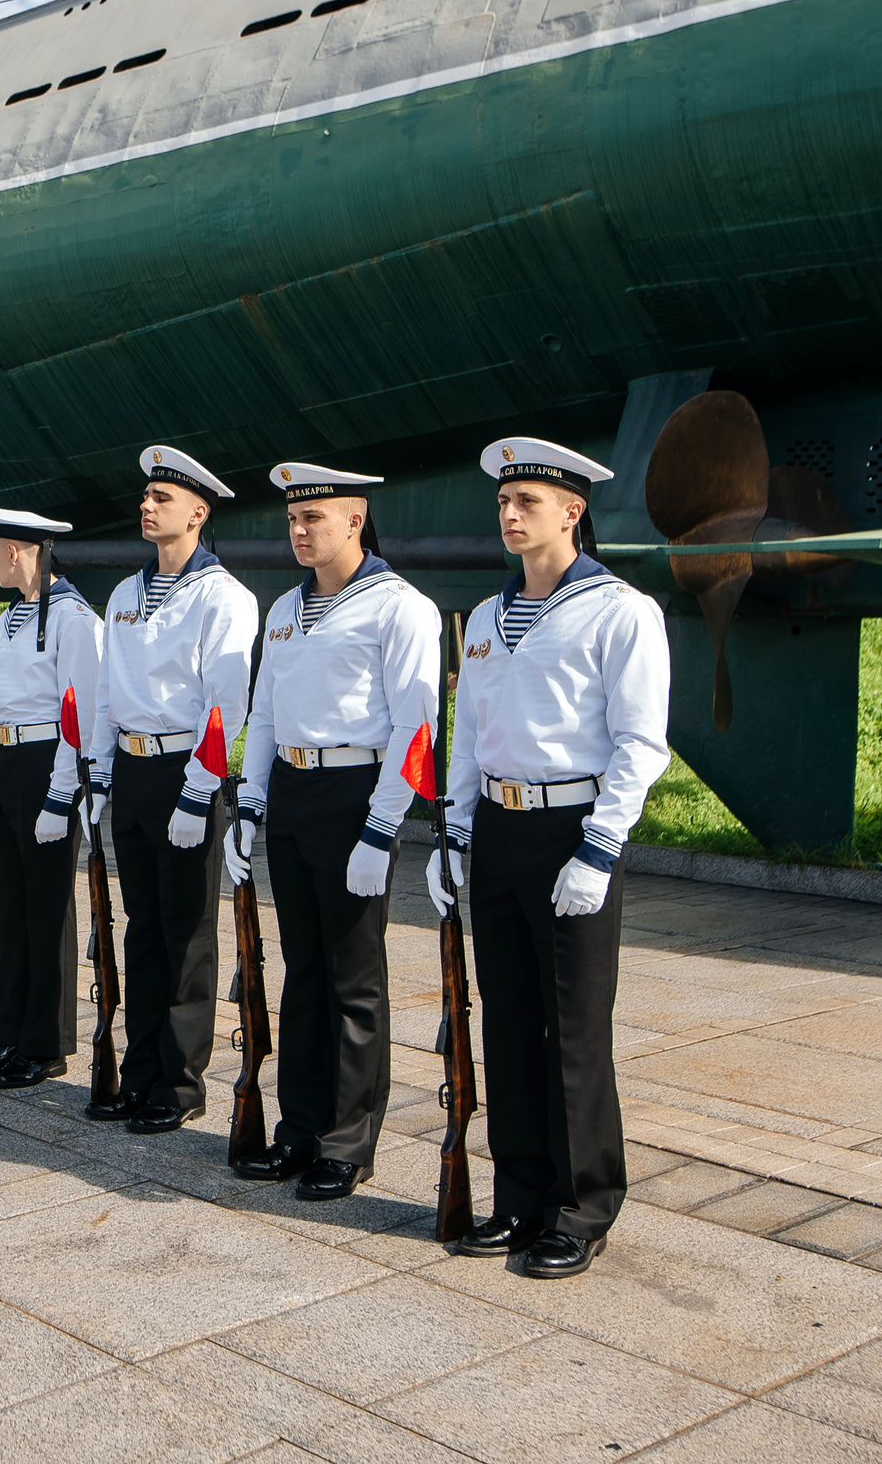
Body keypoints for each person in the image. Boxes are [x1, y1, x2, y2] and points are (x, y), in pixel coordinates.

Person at [434, 437, 669, 1279]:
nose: (509, 514)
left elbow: (643, 744)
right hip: (498, 832)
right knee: (507, 1022)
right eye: (503, 501)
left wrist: (599, 850)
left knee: (572, 1030)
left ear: (572, 512)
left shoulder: (620, 611)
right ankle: (520, 1196)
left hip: (571, 831)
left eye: (527, 501)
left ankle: (584, 1204)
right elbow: (469, 740)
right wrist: (454, 835)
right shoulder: (490, 618)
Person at [229, 463, 440, 1198]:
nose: (298, 529)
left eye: (312, 517)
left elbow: (417, 723)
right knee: (304, 970)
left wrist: (382, 827)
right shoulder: (284, 609)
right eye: (292, 518)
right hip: (293, 788)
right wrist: (249, 802)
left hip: (356, 791)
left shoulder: (398, 608)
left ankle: (349, 1141)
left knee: (354, 977)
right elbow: (264, 709)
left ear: (355, 520)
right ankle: (300, 1127)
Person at [85, 445, 260, 1135]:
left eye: (162, 497)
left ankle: (181, 1082)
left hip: (185, 770)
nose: (147, 505)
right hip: (131, 770)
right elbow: (105, 696)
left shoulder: (226, 597)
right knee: (142, 929)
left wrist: (197, 792)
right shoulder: (125, 595)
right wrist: (100, 774)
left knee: (186, 932)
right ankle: (140, 1071)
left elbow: (228, 705)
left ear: (198, 512)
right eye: (146, 495)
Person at [0, 506, 103, 1090]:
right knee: (9, 911)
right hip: (8, 763)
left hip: (46, 765)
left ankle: (48, 1044)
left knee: (47, 910)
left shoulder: (74, 620)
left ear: (16, 551)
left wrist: (62, 795)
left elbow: (80, 716)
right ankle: (9, 1036)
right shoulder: (5, 622)